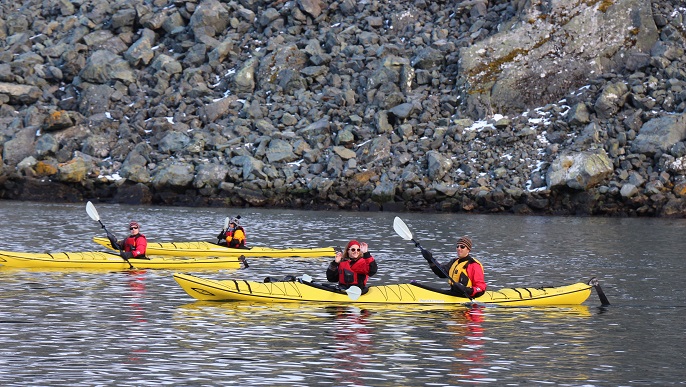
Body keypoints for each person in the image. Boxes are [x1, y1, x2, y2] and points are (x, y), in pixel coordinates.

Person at [422, 236, 486, 298]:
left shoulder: (474, 265)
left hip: (466, 296)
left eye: (462, 247)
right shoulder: (454, 262)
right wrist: (431, 260)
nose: (459, 248)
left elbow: (481, 288)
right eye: (457, 246)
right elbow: (441, 273)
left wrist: (465, 289)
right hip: (453, 293)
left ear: (468, 250)